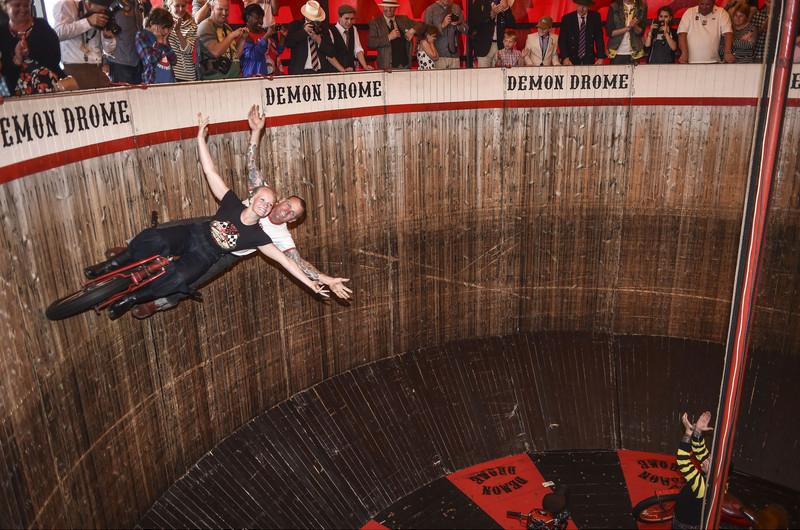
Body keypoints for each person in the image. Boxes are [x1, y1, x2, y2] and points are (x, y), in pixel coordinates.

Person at [85, 113, 329, 320]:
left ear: (292, 220)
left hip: (227, 253)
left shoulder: (271, 237)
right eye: (287, 205)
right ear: (278, 199)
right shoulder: (254, 196)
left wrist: (321, 280)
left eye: (292, 213)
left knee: (190, 279)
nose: (285, 210)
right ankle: (128, 253)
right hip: (214, 223)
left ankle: (156, 301)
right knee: (164, 233)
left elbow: (293, 262)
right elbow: (245, 165)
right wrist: (255, 131)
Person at [0, 0, 64, 94]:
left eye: (26, 5)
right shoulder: (2, 33)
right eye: (17, 5)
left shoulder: (42, 25)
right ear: (5, 6)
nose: (23, 9)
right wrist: (17, 59)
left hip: (52, 88)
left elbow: (55, 58)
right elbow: (4, 70)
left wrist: (30, 51)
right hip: (17, 94)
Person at [53, 0, 117, 89]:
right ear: (89, 4)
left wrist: (108, 38)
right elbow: (58, 33)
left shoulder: (102, 14)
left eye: (105, 10)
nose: (102, 13)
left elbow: (109, 51)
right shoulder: (66, 5)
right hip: (75, 69)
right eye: (100, 10)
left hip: (98, 69)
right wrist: (88, 22)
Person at [674, 411, 713, 529]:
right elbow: (700, 450)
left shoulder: (702, 486)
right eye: (710, 457)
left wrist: (688, 432)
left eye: (709, 460)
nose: (706, 459)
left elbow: (682, 460)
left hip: (684, 525)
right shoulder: (715, 479)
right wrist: (697, 431)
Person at [196, 0, 247, 79]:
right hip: (215, 81)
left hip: (233, 78)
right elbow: (216, 52)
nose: (224, 13)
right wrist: (231, 36)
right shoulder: (205, 26)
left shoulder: (227, 27)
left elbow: (235, 56)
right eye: (220, 9)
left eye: (226, 10)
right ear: (212, 8)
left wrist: (243, 39)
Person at [284, 0, 336, 74]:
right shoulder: (296, 25)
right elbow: (289, 43)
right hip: (300, 71)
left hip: (321, 71)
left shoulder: (323, 29)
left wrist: (319, 40)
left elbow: (331, 52)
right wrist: (303, 32)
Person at [106, 0, 150, 84]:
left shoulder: (139, 5)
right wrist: (104, 61)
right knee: (122, 92)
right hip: (119, 63)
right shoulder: (112, 5)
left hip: (138, 61)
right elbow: (103, 32)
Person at [677, 0, 734, 64]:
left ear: (713, 4)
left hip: (714, 61)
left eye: (708, 5)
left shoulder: (721, 12)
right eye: (702, 4)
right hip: (691, 61)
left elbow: (728, 33)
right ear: (698, 2)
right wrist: (684, 53)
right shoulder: (689, 12)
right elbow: (682, 34)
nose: (704, 7)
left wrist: (727, 53)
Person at [367, 0, 415, 70]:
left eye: (391, 7)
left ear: (395, 8)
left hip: (405, 66)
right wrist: (389, 37)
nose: (389, 9)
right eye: (386, 7)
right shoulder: (375, 22)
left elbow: (422, 26)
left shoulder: (403, 19)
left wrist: (413, 30)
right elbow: (371, 43)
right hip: (387, 67)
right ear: (383, 7)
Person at [135, 6, 177, 83]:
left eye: (168, 28)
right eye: (163, 27)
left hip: (170, 82)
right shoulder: (142, 36)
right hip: (152, 83)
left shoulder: (163, 37)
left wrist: (164, 43)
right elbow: (150, 60)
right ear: (152, 24)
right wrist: (159, 43)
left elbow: (174, 60)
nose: (166, 31)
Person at [558, 0, 606, 65]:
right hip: (571, 59)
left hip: (588, 58)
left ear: (588, 7)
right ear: (576, 5)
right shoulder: (567, 19)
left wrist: (600, 57)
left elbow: (599, 38)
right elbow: (562, 40)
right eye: (579, 5)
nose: (581, 9)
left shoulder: (595, 17)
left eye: (584, 6)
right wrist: (565, 58)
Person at [327, 4, 373, 72]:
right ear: (339, 17)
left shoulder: (353, 29)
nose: (349, 22)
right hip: (335, 72)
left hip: (350, 70)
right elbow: (330, 56)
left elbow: (358, 50)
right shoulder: (330, 31)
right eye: (346, 18)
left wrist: (365, 66)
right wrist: (343, 70)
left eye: (352, 19)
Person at [468, 0, 514, 68]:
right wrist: (490, 16)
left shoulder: (502, 2)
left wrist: (506, 8)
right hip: (483, 46)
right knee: (484, 73)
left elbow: (512, 24)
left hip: (500, 46)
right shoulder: (479, 2)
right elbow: (473, 23)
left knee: (500, 73)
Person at [423, 0, 467, 69]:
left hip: (455, 55)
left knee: (456, 76)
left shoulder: (456, 8)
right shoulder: (430, 10)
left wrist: (457, 25)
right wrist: (442, 25)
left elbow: (466, 28)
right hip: (439, 56)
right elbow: (427, 33)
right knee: (439, 76)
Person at [605, 0, 647, 64]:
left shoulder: (641, 7)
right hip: (616, 51)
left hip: (635, 51)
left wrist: (635, 26)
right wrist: (627, 28)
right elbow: (610, 32)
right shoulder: (614, 6)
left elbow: (641, 32)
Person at [166, 0, 197, 82]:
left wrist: (178, 31)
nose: (180, 9)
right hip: (167, 73)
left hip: (187, 75)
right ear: (170, 6)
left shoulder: (192, 25)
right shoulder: (163, 22)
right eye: (177, 6)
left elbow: (188, 50)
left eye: (183, 6)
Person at [240, 3, 271, 76]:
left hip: (266, 75)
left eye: (262, 18)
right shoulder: (242, 34)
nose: (261, 22)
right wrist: (266, 36)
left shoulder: (264, 33)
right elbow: (253, 55)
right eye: (257, 18)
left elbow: (276, 53)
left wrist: (282, 37)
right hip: (250, 76)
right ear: (248, 17)